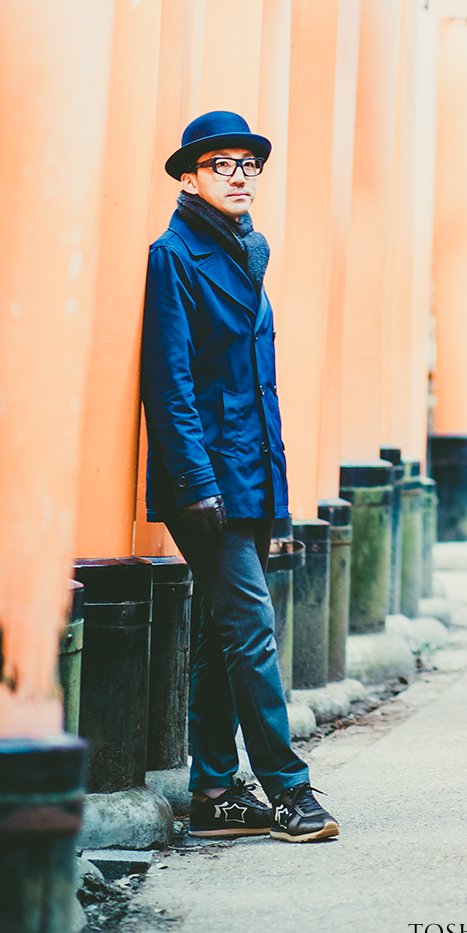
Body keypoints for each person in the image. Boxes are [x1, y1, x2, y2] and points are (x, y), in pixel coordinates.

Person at [141, 110, 339, 843]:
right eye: (221, 164)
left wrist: (275, 492)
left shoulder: (249, 249)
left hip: (253, 476)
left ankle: (216, 789)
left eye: (249, 164)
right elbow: (170, 382)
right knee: (252, 630)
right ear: (190, 176)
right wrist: (195, 486)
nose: (240, 175)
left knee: (228, 634)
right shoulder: (175, 254)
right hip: (209, 484)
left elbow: (256, 384)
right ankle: (290, 789)